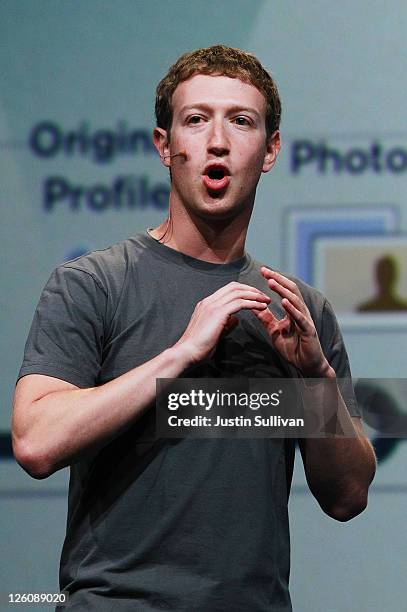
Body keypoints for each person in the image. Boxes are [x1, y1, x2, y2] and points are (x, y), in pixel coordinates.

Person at [12, 45, 376, 611]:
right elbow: (35, 442)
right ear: (166, 146)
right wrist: (180, 354)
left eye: (241, 120)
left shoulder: (298, 310)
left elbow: (349, 496)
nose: (218, 140)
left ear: (270, 149)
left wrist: (314, 376)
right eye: (196, 119)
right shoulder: (94, 284)